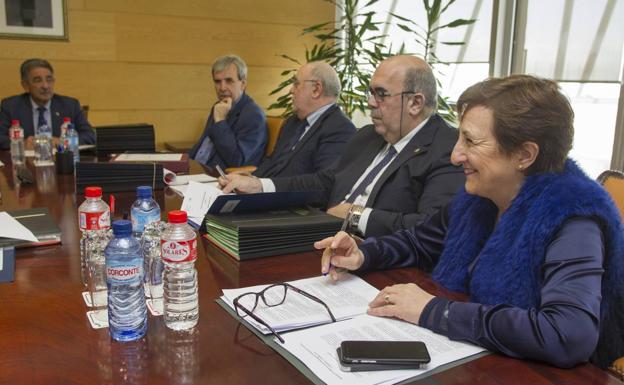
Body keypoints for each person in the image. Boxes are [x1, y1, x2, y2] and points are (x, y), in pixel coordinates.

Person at [315, 75, 624, 369]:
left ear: (524, 154)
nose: (455, 155)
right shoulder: (480, 195)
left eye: (470, 142)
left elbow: (568, 335)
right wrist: (364, 254)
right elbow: (418, 242)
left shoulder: (573, 217)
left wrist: (434, 310)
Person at [220, 55, 464, 237]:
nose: (370, 102)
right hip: (321, 234)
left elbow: (431, 227)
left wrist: (355, 216)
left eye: (381, 94)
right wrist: (259, 185)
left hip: (373, 256)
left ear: (415, 103)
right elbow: (325, 182)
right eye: (370, 92)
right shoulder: (368, 136)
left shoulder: (447, 148)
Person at [254, 61, 355, 177]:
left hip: (290, 195)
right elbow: (272, 162)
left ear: (316, 90)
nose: (291, 90)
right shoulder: (292, 122)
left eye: (296, 84)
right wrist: (250, 179)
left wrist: (264, 185)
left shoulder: (340, 129)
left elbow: (322, 183)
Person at [189, 55, 267, 169]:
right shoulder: (218, 106)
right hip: (196, 170)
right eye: (217, 81)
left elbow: (238, 161)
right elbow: (203, 147)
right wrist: (182, 162)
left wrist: (220, 121)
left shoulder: (254, 115)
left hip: (219, 178)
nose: (222, 88)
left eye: (229, 81)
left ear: (243, 84)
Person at [0, 58, 95, 150]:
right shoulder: (11, 106)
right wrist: (22, 143)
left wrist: (64, 142)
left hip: (61, 162)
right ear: (25, 86)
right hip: (27, 163)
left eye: (49, 80)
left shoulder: (70, 105)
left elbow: (90, 136)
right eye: (38, 80)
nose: (45, 86)